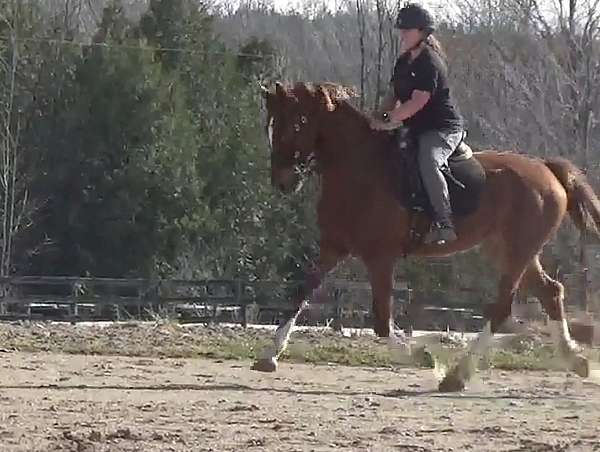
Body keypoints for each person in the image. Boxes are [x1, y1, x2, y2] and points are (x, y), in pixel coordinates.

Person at [370, 3, 464, 245]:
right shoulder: (403, 61)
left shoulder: (430, 63)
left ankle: (445, 222)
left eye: (407, 30)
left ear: (423, 32)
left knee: (428, 161)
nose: (402, 33)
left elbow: (417, 102)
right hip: (414, 127)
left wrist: (390, 119)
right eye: (401, 29)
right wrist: (376, 117)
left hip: (441, 129)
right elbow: (392, 94)